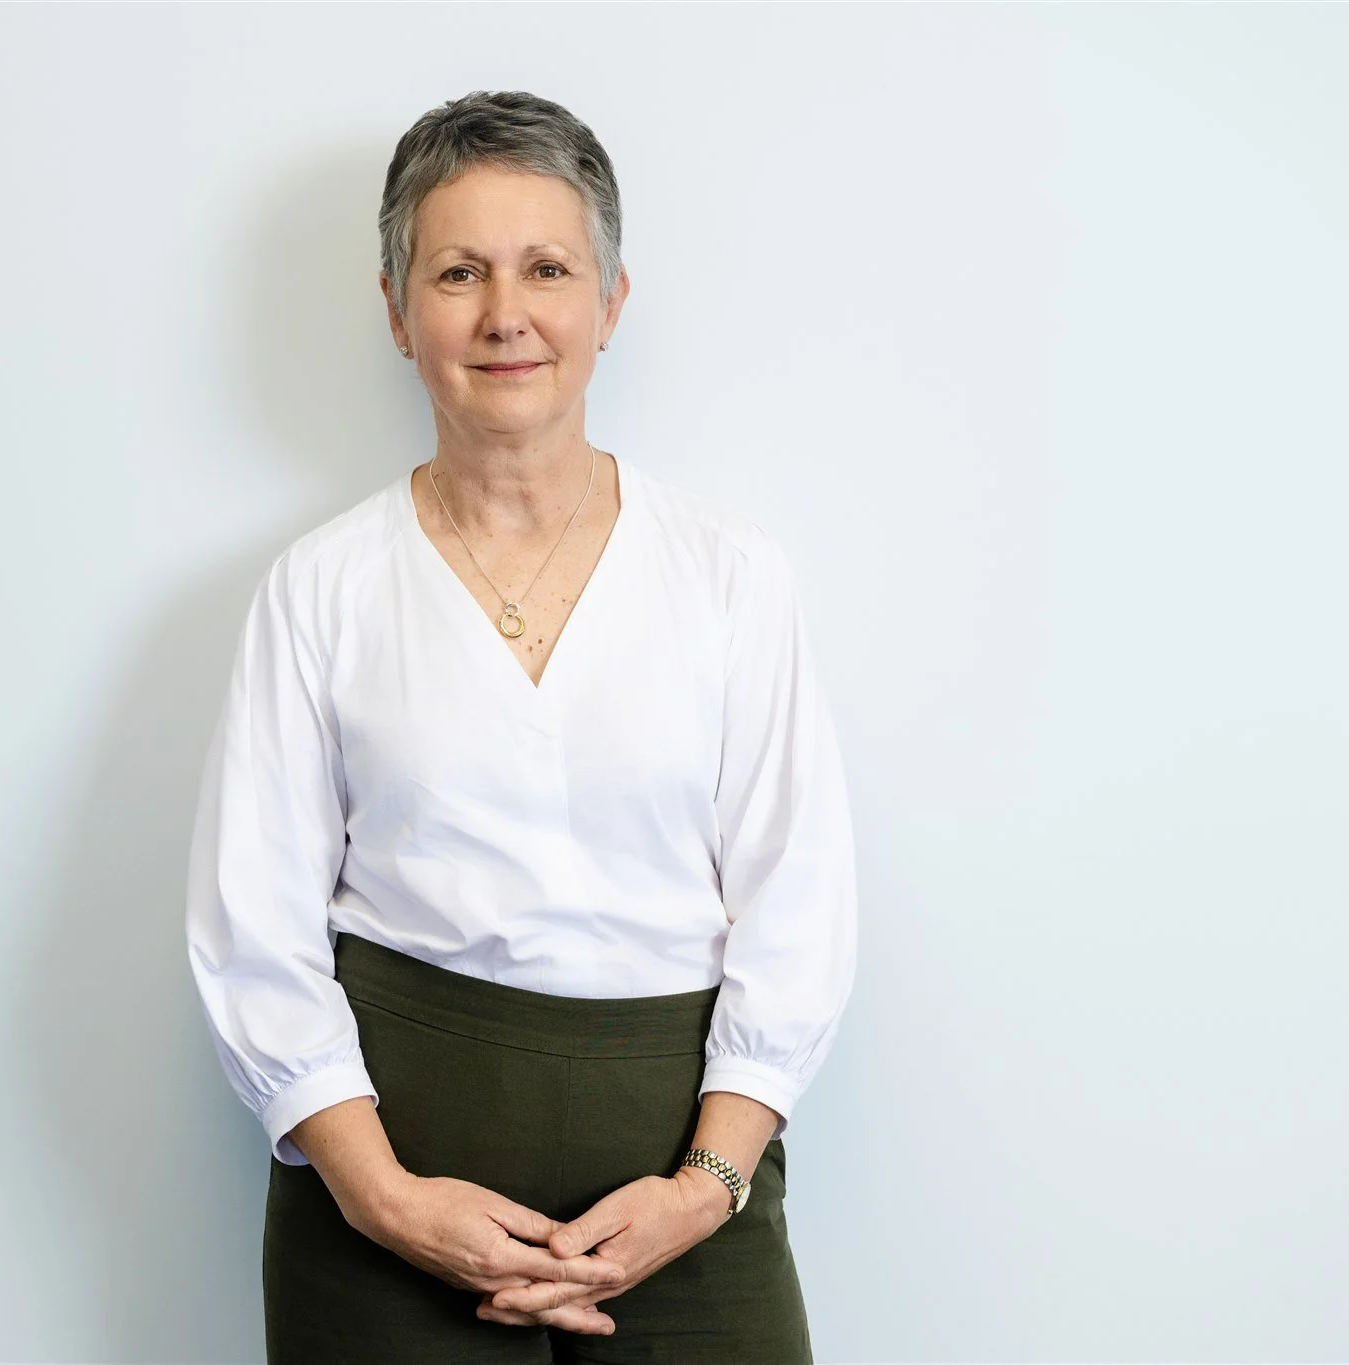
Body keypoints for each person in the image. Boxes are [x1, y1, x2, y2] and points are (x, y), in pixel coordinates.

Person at [185, 89, 859, 1364]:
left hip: (685, 1192)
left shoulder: (729, 575)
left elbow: (796, 903)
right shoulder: (319, 589)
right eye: (458, 272)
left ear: (609, 302)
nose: (505, 313)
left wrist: (702, 1189)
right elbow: (252, 928)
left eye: (547, 269)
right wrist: (384, 1200)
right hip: (380, 1193)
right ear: (397, 312)